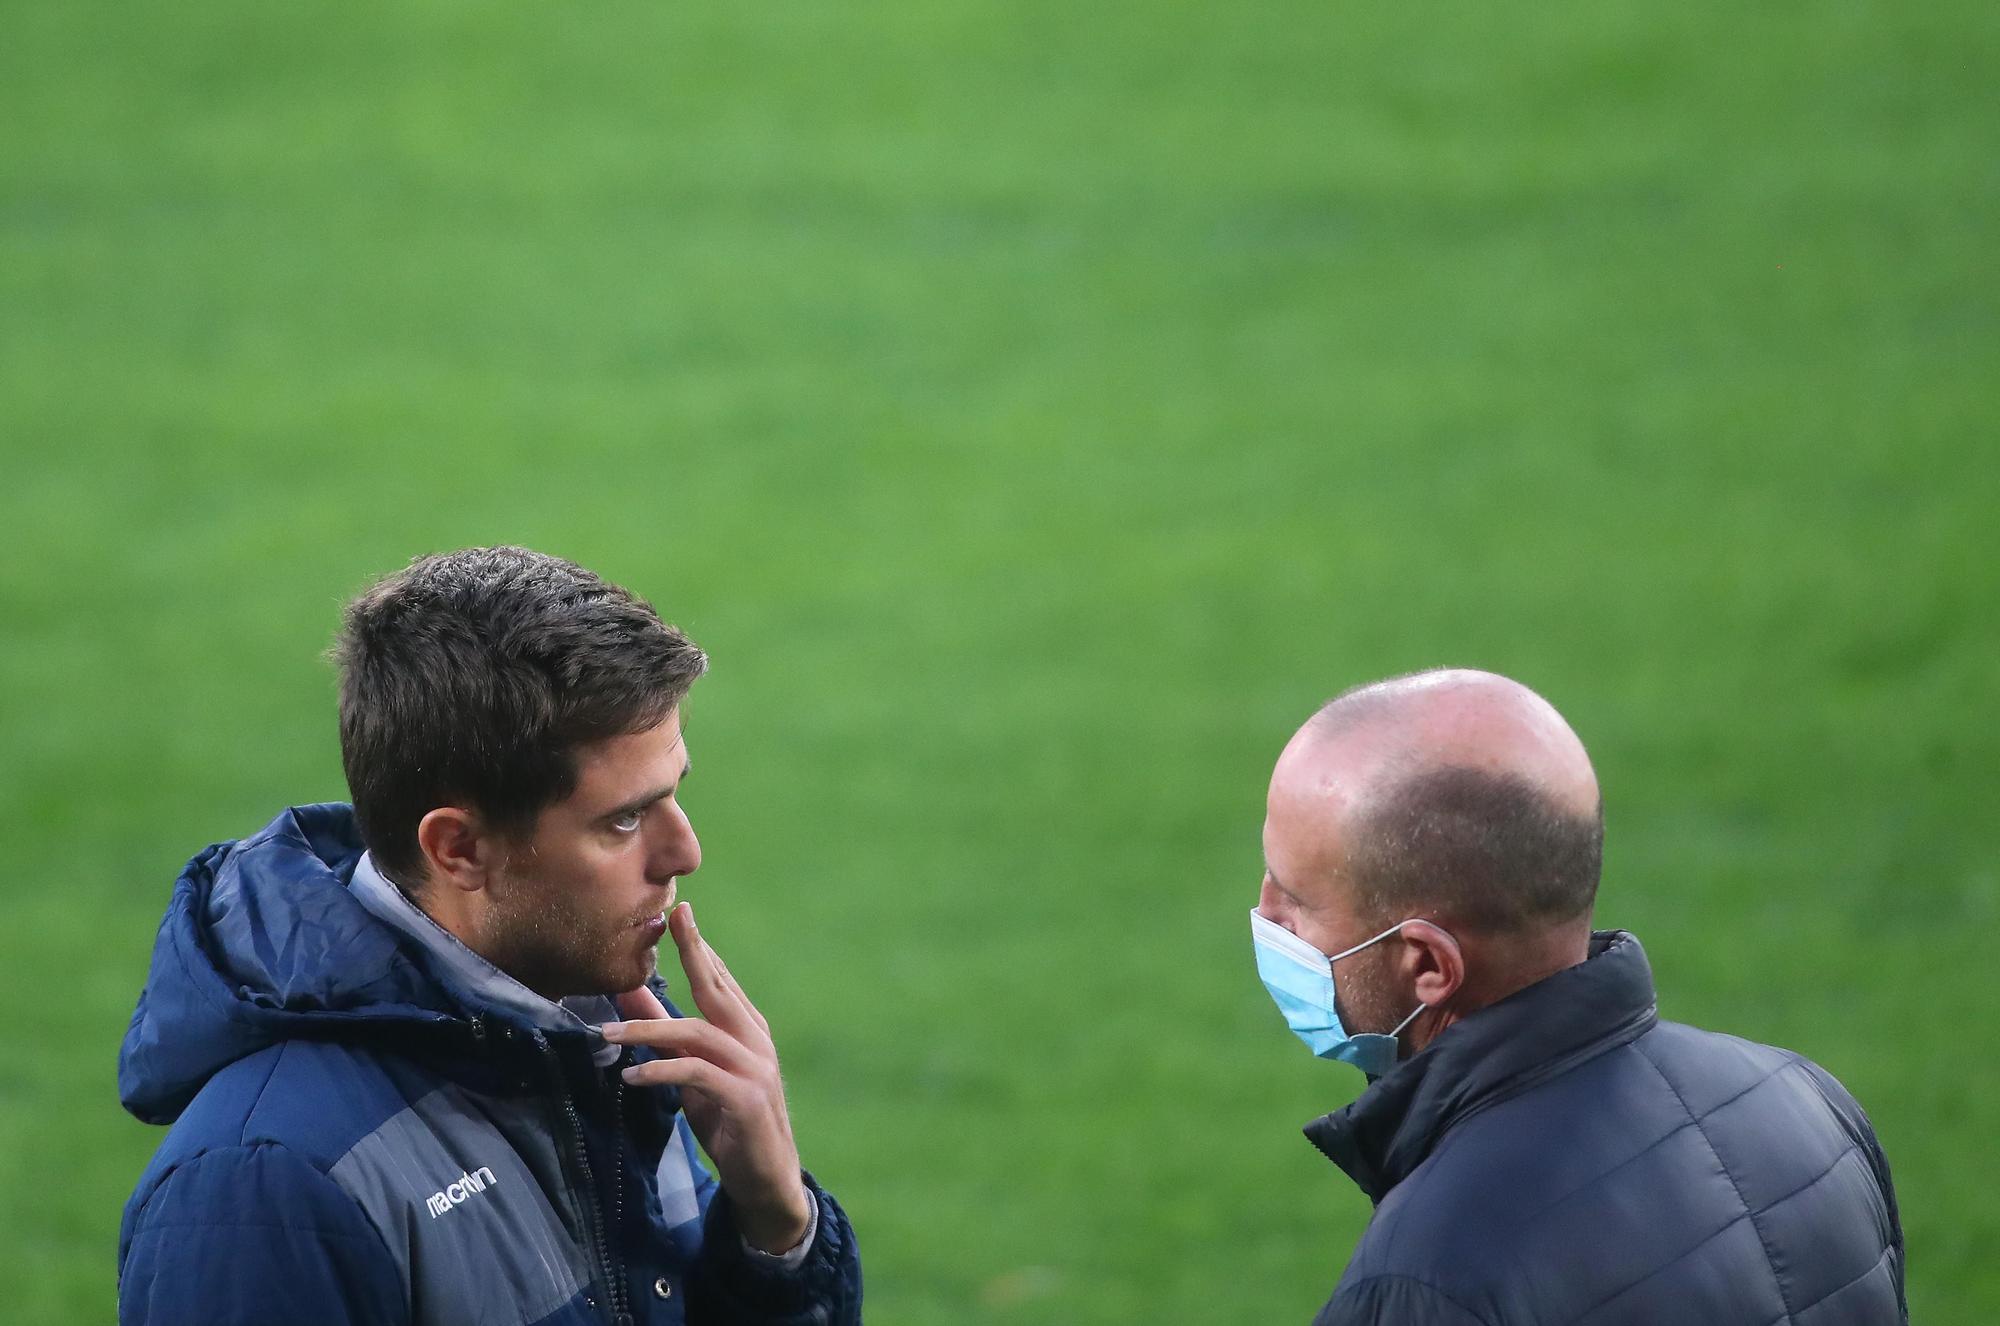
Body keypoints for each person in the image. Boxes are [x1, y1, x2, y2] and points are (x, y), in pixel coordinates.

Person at [118, 547, 862, 1325]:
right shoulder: (262, 1196)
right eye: (625, 819)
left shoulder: (608, 1038)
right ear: (459, 849)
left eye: (672, 795)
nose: (686, 852)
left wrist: (776, 1228)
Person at [1251, 668, 1905, 1325]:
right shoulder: (1807, 1102)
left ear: (1427, 964)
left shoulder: (1423, 1281)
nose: (1264, 912)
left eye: (1293, 901)